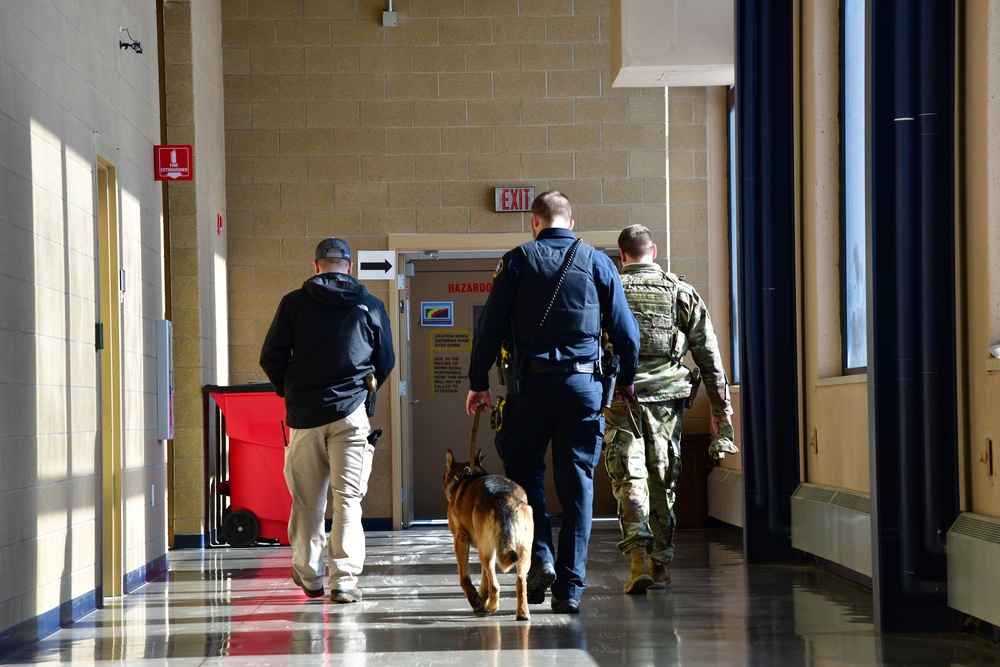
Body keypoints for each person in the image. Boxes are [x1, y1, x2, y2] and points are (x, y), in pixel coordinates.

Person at [466, 191, 640, 614]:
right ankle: (570, 590)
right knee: (577, 487)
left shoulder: (518, 261)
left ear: (534, 221)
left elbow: (489, 328)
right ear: (572, 222)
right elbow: (627, 333)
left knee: (525, 480)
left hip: (530, 389)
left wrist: (478, 383)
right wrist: (626, 383)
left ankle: (540, 555)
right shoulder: (599, 262)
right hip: (584, 389)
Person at [260, 237, 395, 603]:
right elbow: (385, 361)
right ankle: (344, 581)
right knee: (348, 500)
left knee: (307, 502)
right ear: (348, 266)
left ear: (316, 265)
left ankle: (310, 577)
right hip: (351, 417)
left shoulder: (293, 304)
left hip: (304, 418)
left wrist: (291, 390)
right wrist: (360, 393)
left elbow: (270, 358)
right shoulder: (370, 305)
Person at [603, 224, 733, 594]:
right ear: (654, 251)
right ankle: (660, 561)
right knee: (662, 478)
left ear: (622, 256)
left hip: (619, 401)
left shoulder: (608, 292)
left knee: (629, 477)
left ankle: (638, 559)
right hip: (666, 403)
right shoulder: (681, 292)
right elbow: (710, 359)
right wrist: (722, 419)